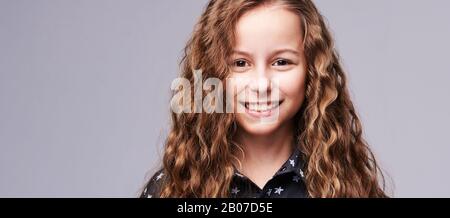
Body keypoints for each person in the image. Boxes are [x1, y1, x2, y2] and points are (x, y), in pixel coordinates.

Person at [140, 0, 387, 198]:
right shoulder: (172, 190)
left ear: (311, 72)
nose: (261, 85)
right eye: (240, 63)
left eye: (281, 62)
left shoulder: (351, 188)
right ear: (212, 75)